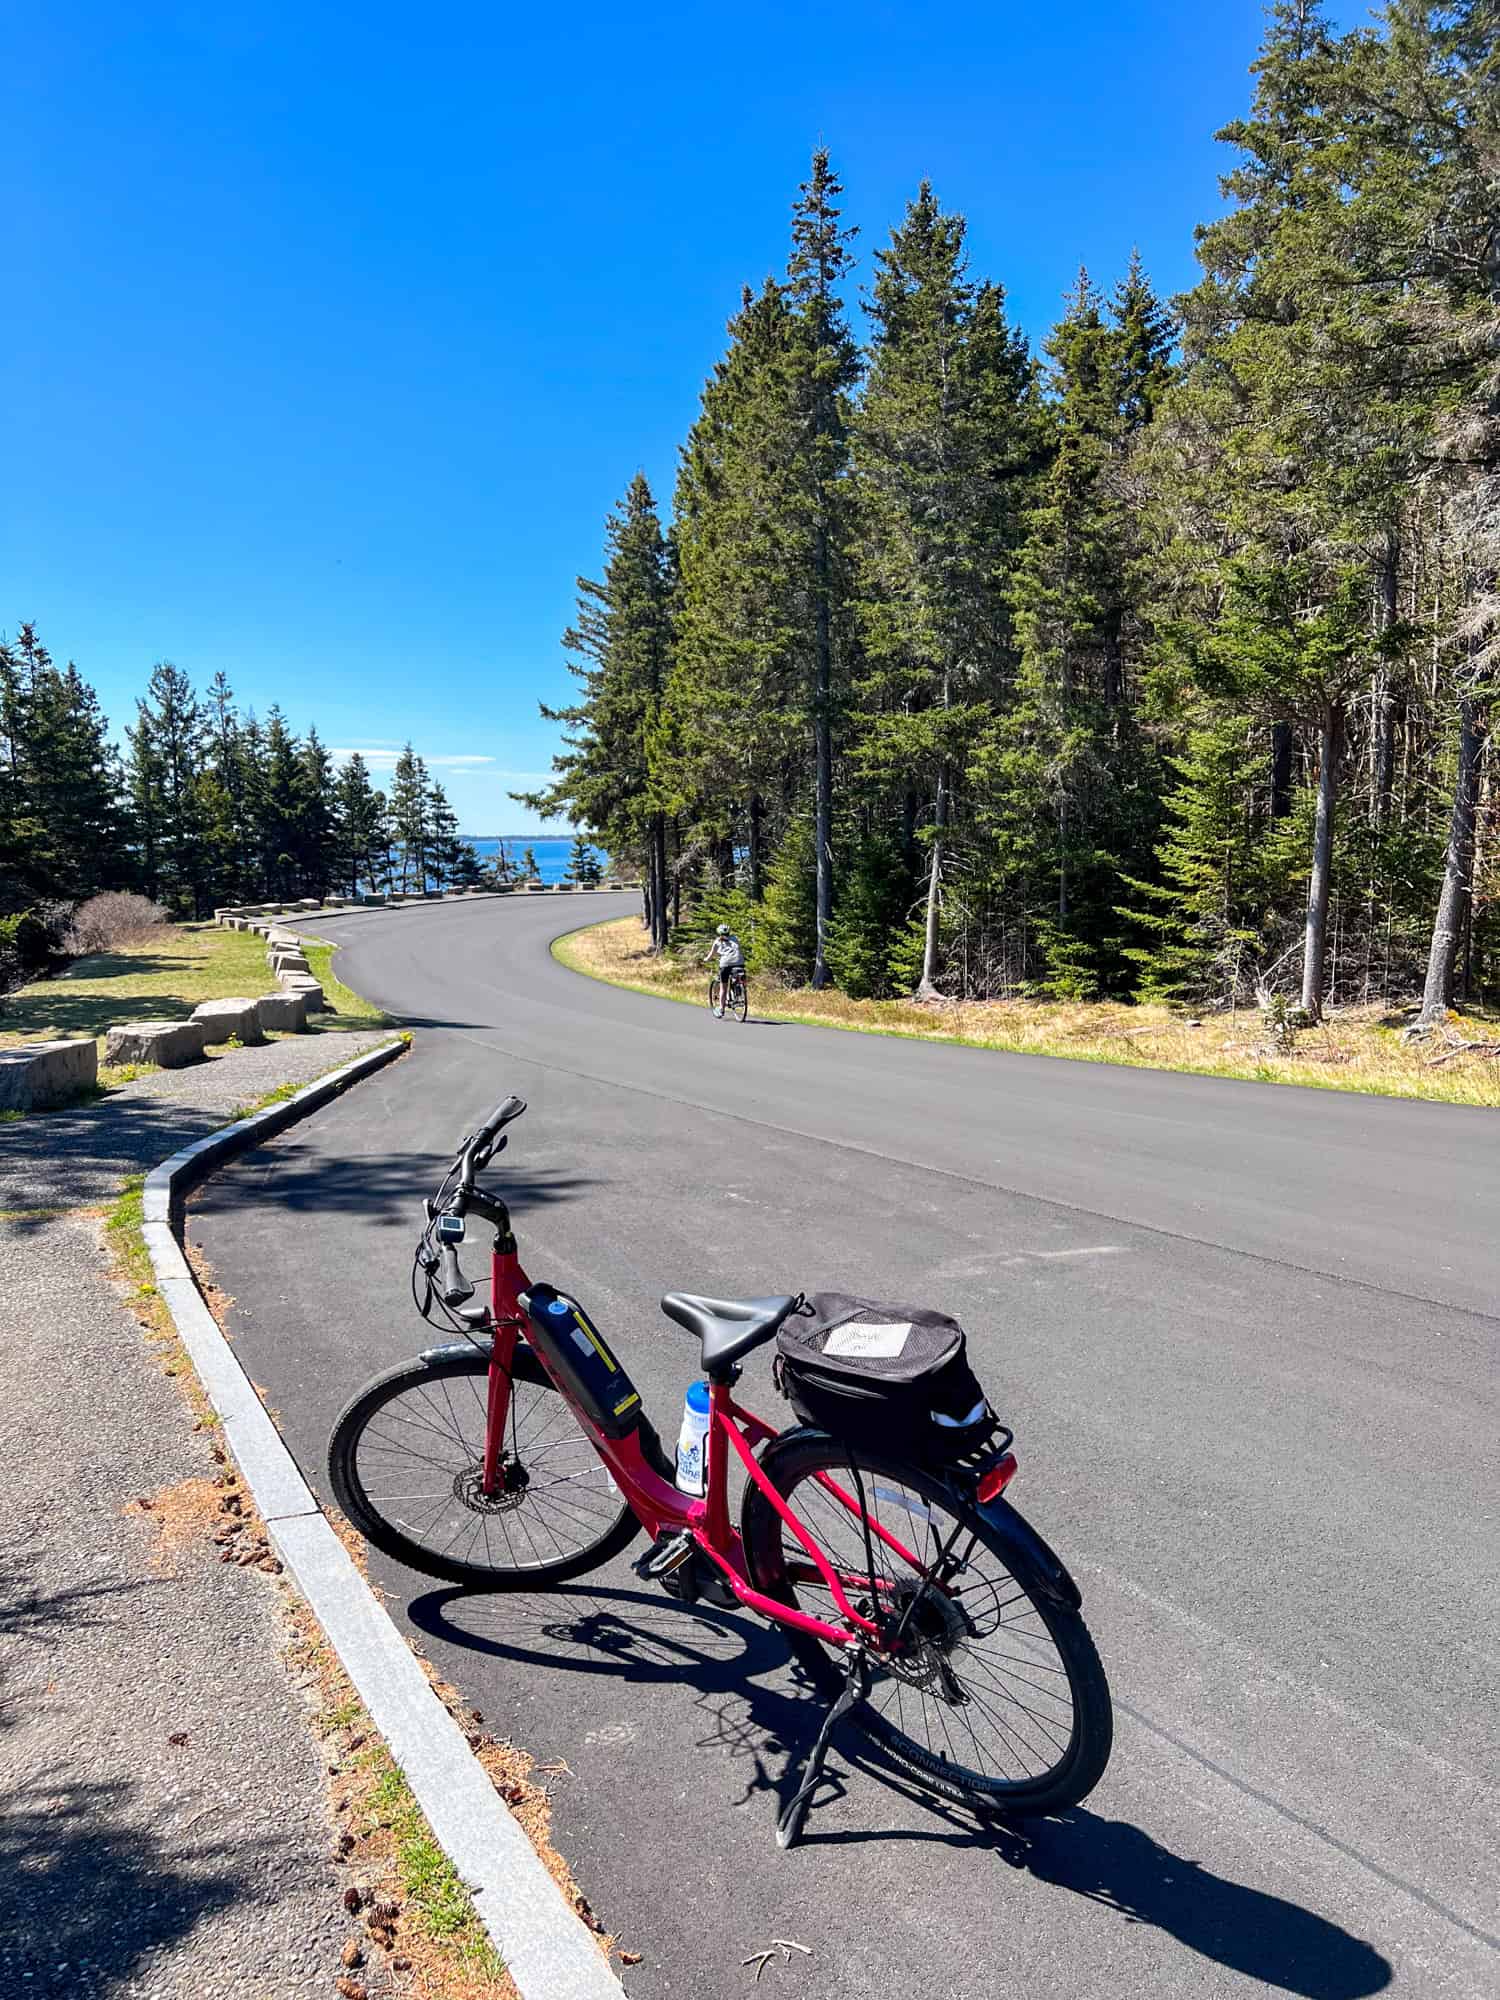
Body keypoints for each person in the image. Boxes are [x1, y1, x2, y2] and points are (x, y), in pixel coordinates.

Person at [702, 923, 746, 1009]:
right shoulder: (735, 938)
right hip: (740, 962)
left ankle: (721, 1009)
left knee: (723, 987)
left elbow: (712, 954)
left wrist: (706, 959)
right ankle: (738, 993)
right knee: (736, 978)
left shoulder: (717, 941)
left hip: (725, 964)